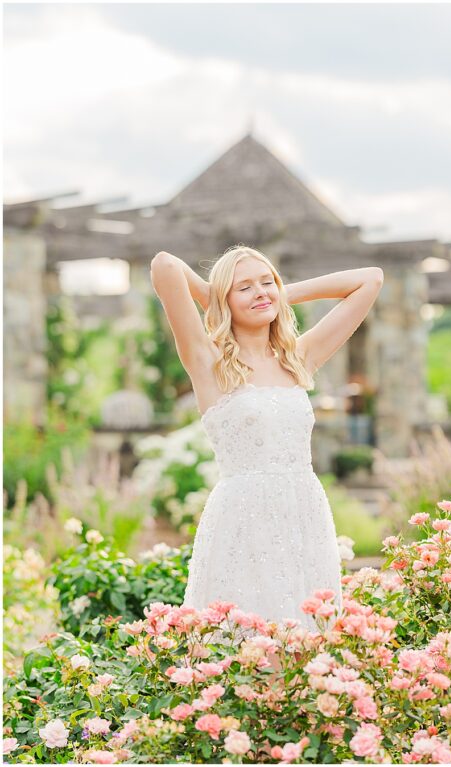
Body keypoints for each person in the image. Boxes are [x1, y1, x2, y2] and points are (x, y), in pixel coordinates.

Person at [150, 244, 383, 630]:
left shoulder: (298, 359)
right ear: (224, 300)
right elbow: (164, 265)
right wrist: (217, 299)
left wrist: (279, 292)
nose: (260, 291)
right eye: (244, 287)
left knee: (308, 644)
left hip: (303, 514)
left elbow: (370, 279)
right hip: (242, 519)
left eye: (266, 282)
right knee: (247, 645)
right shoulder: (207, 363)